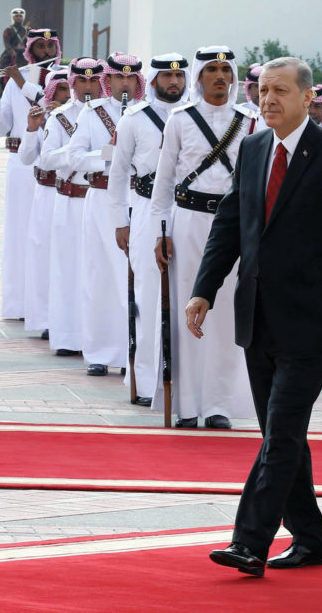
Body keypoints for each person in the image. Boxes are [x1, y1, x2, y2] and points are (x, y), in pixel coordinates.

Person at [190, 55, 322, 577]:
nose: (268, 99)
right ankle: (310, 537)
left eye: (281, 91)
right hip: (258, 317)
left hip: (312, 322)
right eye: (263, 89)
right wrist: (205, 289)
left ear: (307, 97)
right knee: (281, 432)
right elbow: (231, 223)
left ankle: (250, 542)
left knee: (282, 431)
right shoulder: (251, 147)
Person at [151, 47, 260, 429]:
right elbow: (163, 183)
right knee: (187, 309)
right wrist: (160, 232)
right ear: (198, 77)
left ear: (233, 77)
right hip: (188, 222)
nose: (218, 76)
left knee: (227, 313)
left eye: (225, 70)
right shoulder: (180, 120)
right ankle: (187, 404)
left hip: (232, 226)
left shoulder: (250, 122)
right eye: (211, 70)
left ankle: (219, 405)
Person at [108, 53, 190, 405]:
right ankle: (145, 383)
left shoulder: (194, 118)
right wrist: (120, 221)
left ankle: (185, 384)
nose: (174, 82)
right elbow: (117, 172)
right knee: (146, 296)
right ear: (153, 80)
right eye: (167, 76)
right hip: (144, 211)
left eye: (179, 76)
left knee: (186, 295)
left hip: (187, 210)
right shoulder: (134, 120)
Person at [69, 52, 146, 376]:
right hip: (101, 198)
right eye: (119, 78)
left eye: (131, 78)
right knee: (100, 275)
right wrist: (110, 152)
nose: (124, 84)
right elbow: (74, 158)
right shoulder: (92, 113)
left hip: (139, 197)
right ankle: (100, 351)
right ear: (108, 80)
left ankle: (137, 352)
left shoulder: (147, 114)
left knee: (139, 277)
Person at [0, 28, 63, 323]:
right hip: (19, 163)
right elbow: (3, 127)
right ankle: (17, 305)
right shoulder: (16, 79)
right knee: (18, 234)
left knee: (45, 237)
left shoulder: (63, 75)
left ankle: (45, 307)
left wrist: (21, 83)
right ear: (29, 49)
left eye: (49, 46)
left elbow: (51, 101)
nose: (45, 51)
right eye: (39, 47)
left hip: (53, 165)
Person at [35, 58, 107, 358]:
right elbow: (47, 160)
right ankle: (67, 336)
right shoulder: (60, 117)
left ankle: (100, 339)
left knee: (99, 273)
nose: (88, 87)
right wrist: (82, 152)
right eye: (81, 82)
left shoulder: (112, 115)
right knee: (66, 270)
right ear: (73, 85)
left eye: (93, 81)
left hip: (100, 199)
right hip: (68, 200)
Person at [17, 70, 71, 341]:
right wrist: (31, 128)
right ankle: (46, 317)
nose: (66, 95)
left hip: (71, 196)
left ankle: (66, 319)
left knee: (66, 260)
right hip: (45, 195)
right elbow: (27, 158)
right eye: (61, 89)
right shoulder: (44, 118)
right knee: (43, 257)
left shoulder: (85, 118)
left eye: (68, 88)